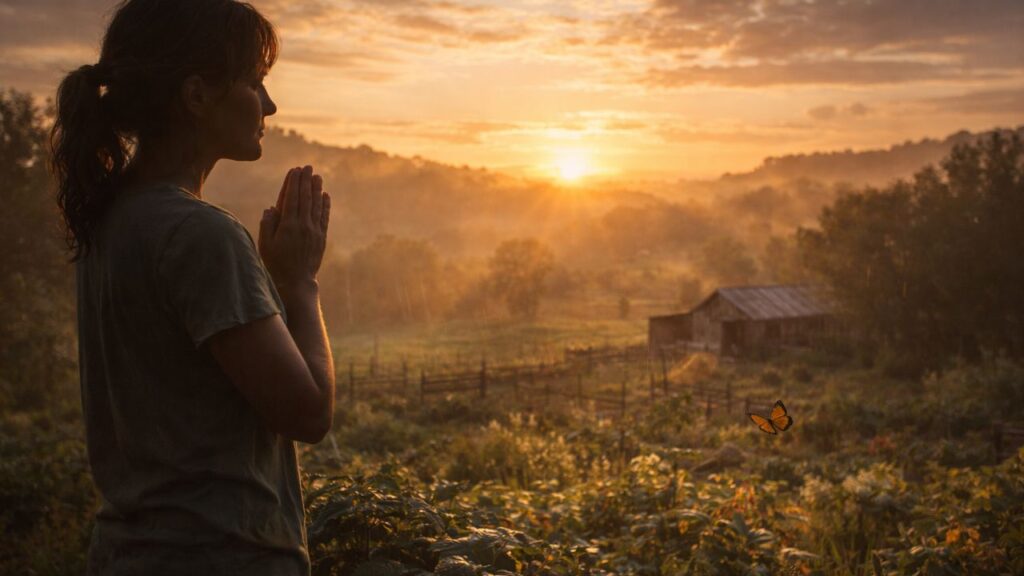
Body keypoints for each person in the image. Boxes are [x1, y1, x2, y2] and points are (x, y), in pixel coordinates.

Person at [50, 1, 335, 574]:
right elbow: (308, 415)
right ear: (197, 95)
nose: (271, 105)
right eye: (256, 82)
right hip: (220, 555)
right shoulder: (199, 233)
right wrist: (300, 281)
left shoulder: (110, 218)